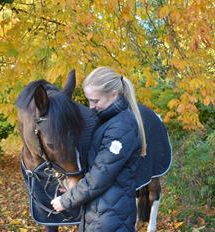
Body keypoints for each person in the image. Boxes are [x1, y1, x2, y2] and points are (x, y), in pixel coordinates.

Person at [51, 66, 147, 232]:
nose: (91, 106)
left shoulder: (121, 126)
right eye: (89, 100)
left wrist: (66, 200)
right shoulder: (106, 121)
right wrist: (73, 186)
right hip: (101, 214)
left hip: (111, 219)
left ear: (114, 94)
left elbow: (100, 176)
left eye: (95, 101)